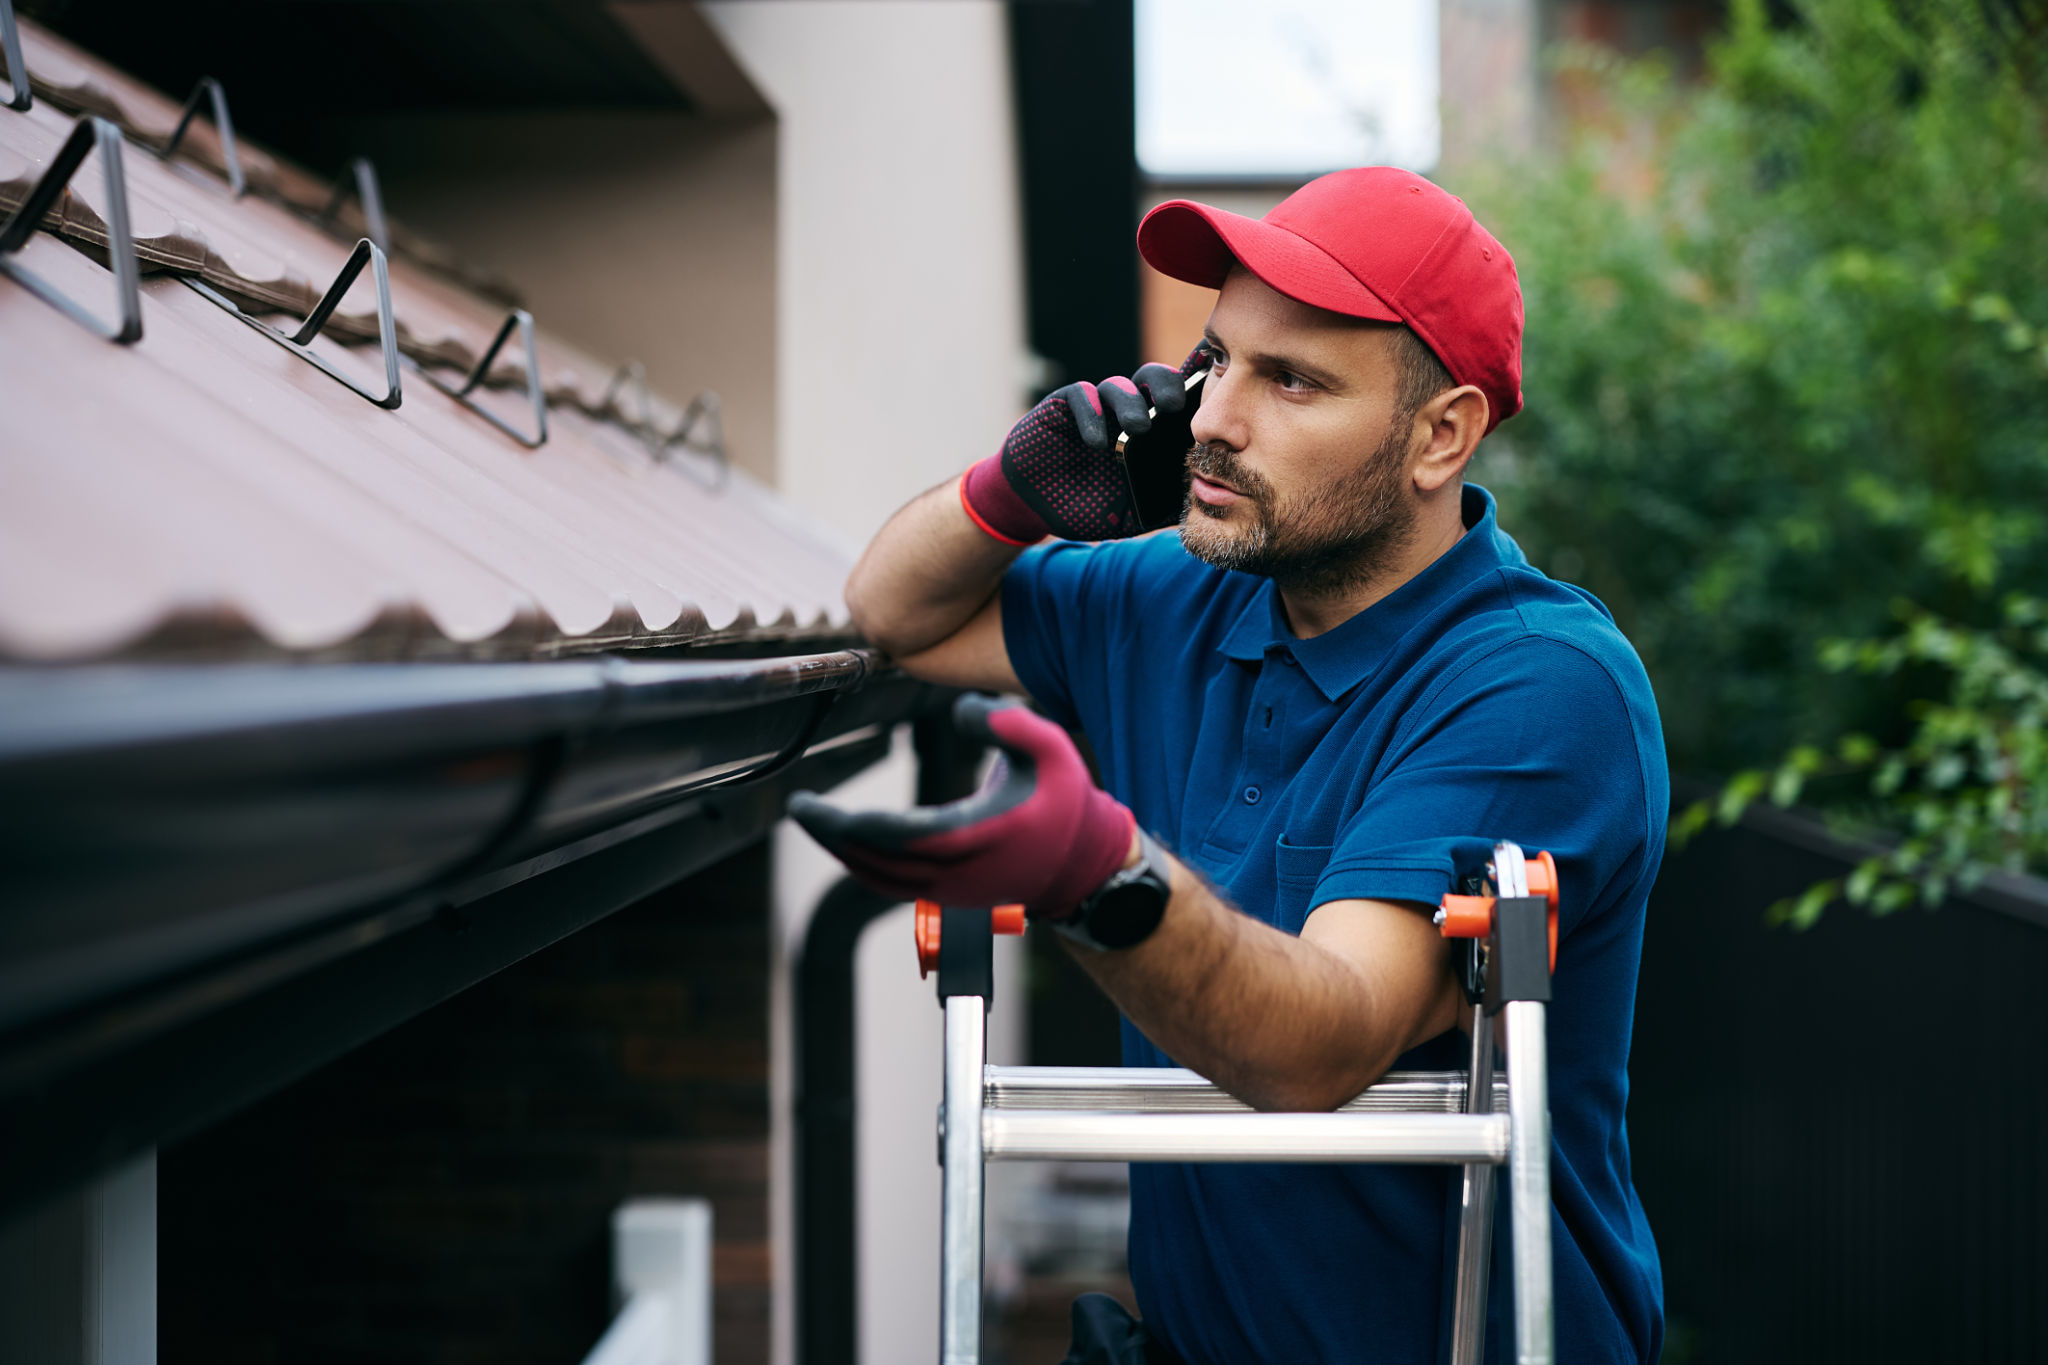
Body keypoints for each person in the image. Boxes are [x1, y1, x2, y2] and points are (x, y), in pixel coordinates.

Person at [789, 167, 1666, 1364]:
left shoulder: (1534, 686)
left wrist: (1097, 876)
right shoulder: (1183, 592)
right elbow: (895, 612)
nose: (1209, 418)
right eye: (1218, 361)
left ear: (1439, 435)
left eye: (1290, 380)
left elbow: (1327, 1038)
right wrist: (1009, 491)